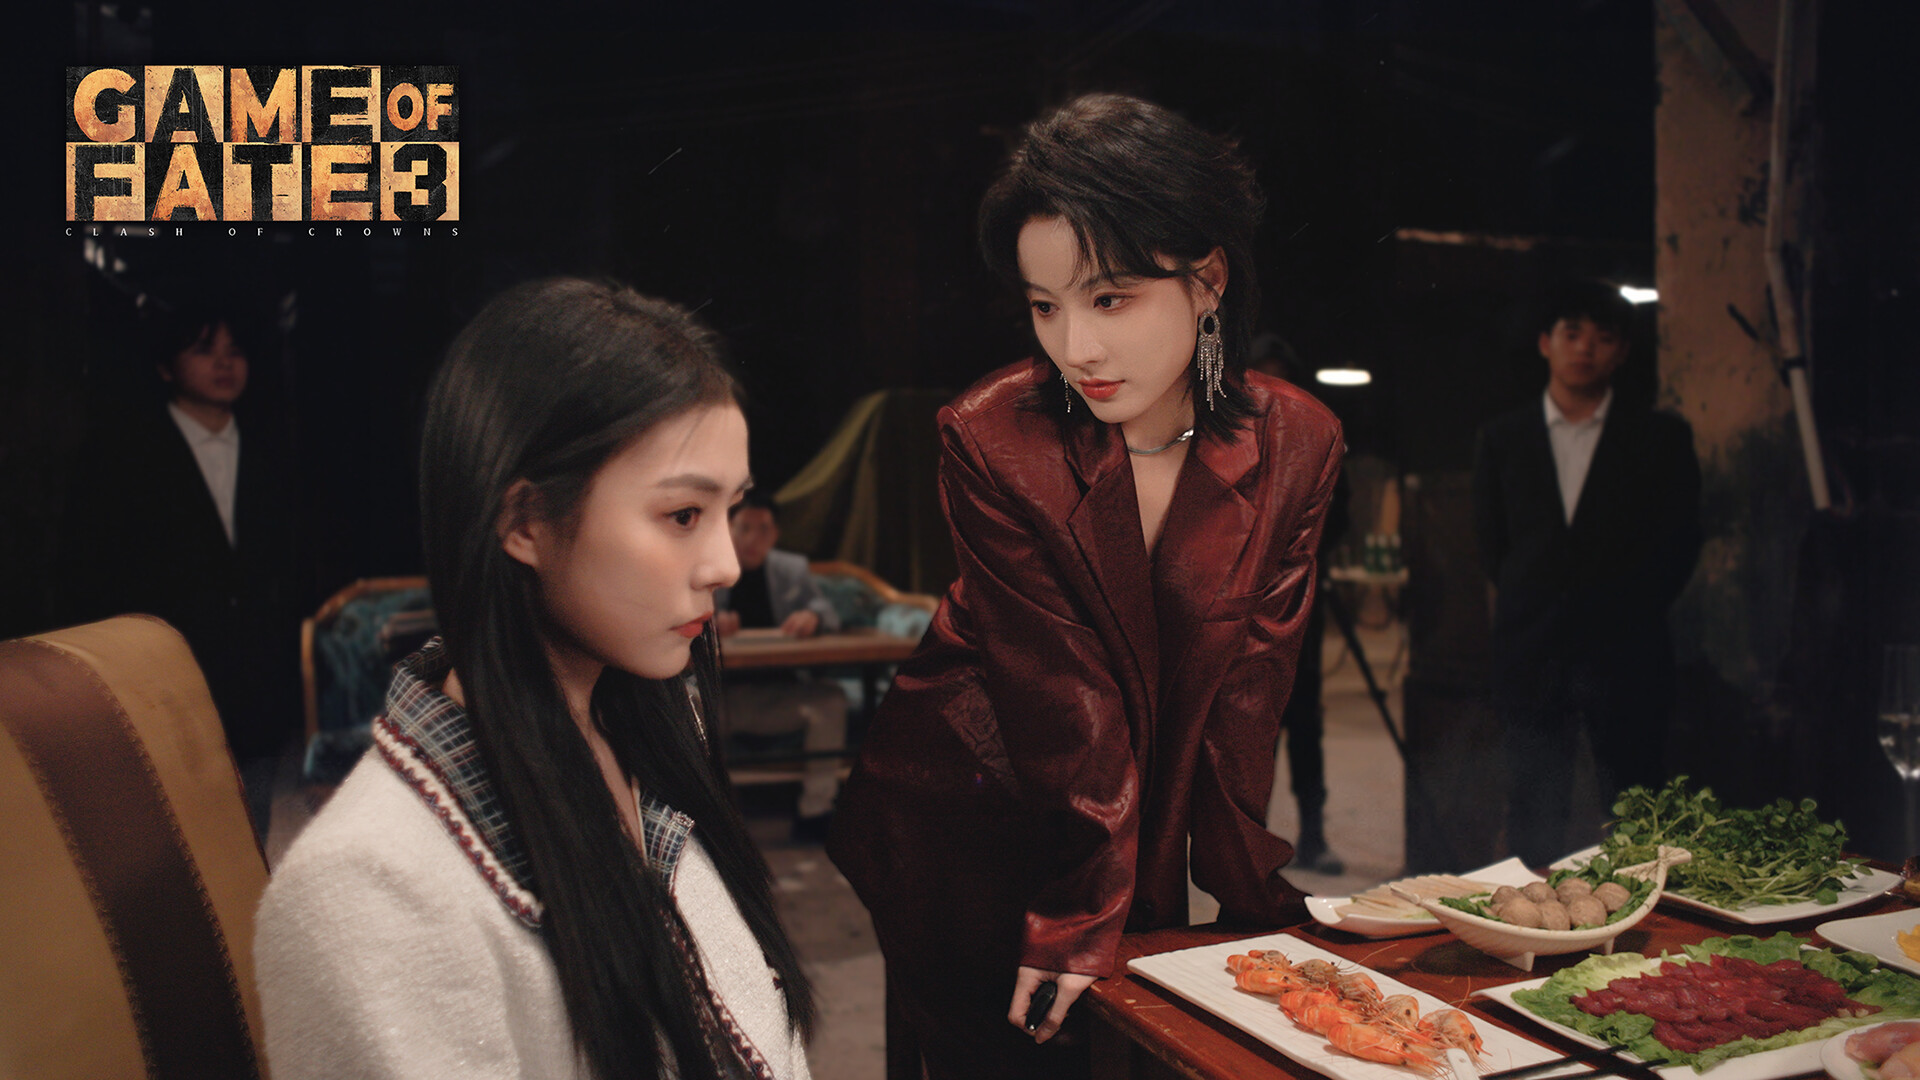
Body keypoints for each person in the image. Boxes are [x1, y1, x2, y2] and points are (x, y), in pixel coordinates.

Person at [827, 93, 1344, 1079]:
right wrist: (1084, 911)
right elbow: (1061, 690)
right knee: (1005, 1050)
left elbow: (1249, 691)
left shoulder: (1299, 442)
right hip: (975, 795)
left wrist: (1253, 902)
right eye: (1045, 306)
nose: (1076, 348)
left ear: (1207, 281)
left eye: (1109, 299)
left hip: (1109, 808)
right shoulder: (992, 435)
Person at [253, 278, 815, 1080]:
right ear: (524, 524)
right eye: (684, 515)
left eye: (732, 510)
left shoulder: (649, 731)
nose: (725, 564)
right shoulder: (370, 888)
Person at [1471, 279, 1702, 867]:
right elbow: (1493, 546)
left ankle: (1647, 918)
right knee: (1532, 810)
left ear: (1620, 351)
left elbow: (1680, 544)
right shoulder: (1502, 438)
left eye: (1602, 337)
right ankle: (1533, 917)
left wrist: (1626, 607)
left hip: (1628, 651)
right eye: (1571, 333)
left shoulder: (1660, 437)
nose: (1584, 348)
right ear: (1546, 343)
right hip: (1532, 651)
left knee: (1637, 809)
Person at [58, 301, 303, 840]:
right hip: (165, 683)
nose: (224, 363)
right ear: (166, 366)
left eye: (235, 350)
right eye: (204, 349)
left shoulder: (270, 451)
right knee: (176, 838)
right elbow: (91, 574)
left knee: (250, 837)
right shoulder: (124, 456)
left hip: (254, 690)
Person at [715, 488, 849, 840]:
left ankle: (815, 811)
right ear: (728, 528)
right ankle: (708, 819)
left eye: (763, 529)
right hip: (721, 698)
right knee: (683, 703)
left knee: (830, 700)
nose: (753, 539)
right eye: (744, 528)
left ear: (775, 534)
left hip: (781, 695)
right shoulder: (708, 567)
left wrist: (812, 617)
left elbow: (827, 612)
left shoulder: (791, 569)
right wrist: (707, 624)